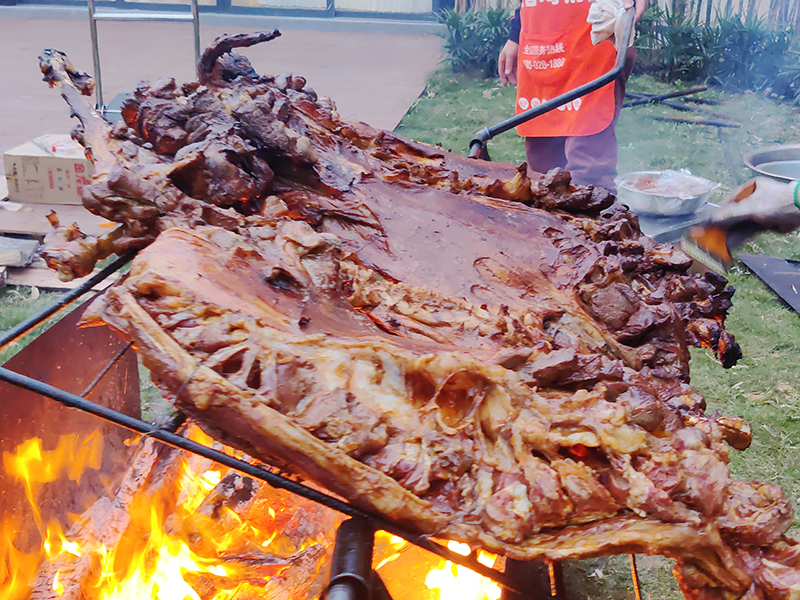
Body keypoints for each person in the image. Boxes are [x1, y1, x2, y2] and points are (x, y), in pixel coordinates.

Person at [497, 0, 648, 193]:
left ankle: (595, 221)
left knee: (589, 171)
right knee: (542, 171)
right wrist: (515, 33)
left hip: (594, 48)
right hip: (541, 47)